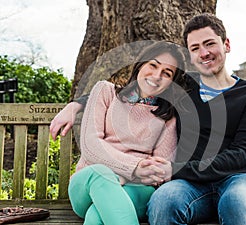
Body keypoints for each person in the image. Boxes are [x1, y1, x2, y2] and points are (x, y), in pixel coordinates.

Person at [50, 13, 246, 225]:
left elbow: (241, 154)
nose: (204, 53)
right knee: (163, 202)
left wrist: (170, 170)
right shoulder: (184, 94)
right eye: (195, 48)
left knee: (235, 203)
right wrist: (75, 105)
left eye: (209, 44)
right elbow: (119, 95)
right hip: (187, 184)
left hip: (237, 177)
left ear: (226, 45)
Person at [62, 41, 186, 225]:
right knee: (101, 173)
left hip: (137, 191)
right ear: (140, 65)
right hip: (87, 184)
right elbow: (91, 145)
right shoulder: (105, 91)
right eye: (153, 65)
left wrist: (127, 176)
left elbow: (158, 173)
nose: (157, 75)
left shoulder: (167, 118)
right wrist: (132, 168)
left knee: (96, 217)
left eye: (167, 73)